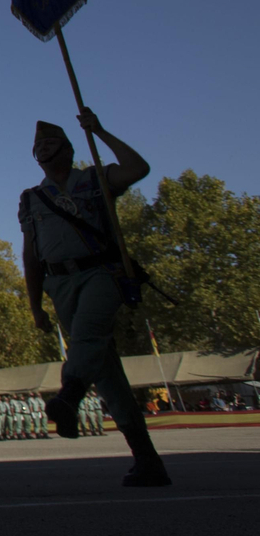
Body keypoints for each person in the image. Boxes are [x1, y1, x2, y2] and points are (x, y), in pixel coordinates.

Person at [21, 113, 169, 487]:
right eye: (38, 147)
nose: (43, 149)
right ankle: (146, 459)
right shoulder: (32, 198)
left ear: (69, 150)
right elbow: (31, 256)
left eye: (50, 143)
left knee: (87, 335)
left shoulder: (95, 180)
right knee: (105, 371)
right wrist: (35, 304)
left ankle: (69, 395)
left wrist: (99, 131)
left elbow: (137, 168)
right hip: (59, 282)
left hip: (102, 272)